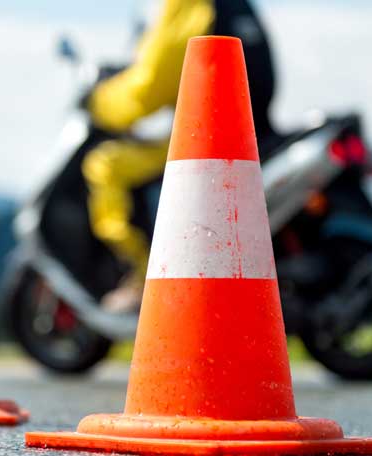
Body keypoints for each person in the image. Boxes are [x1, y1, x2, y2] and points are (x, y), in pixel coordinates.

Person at [84, 0, 278, 312]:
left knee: (105, 166)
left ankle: (143, 278)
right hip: (250, 132)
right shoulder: (234, 6)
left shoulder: (189, 5)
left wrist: (100, 103)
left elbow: (150, 86)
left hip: (210, 139)